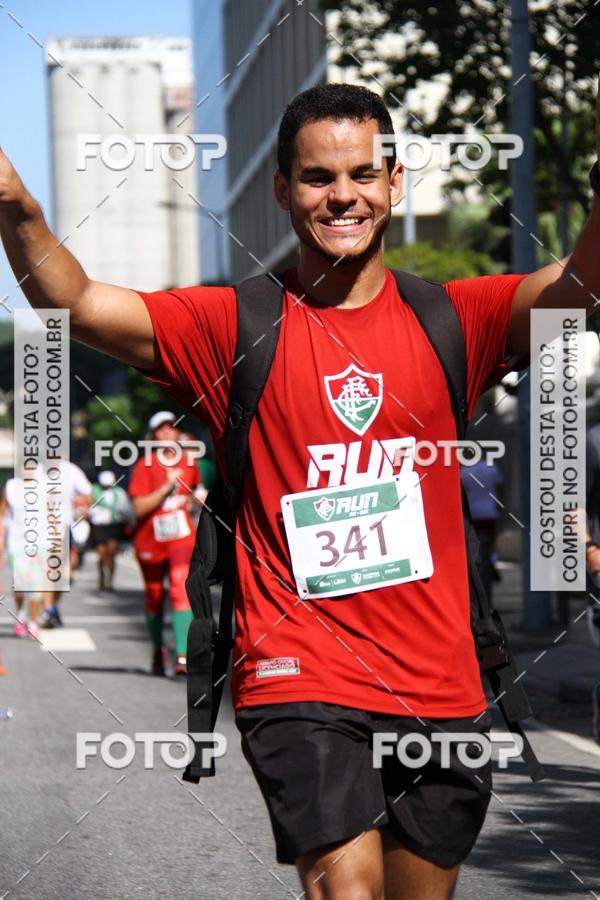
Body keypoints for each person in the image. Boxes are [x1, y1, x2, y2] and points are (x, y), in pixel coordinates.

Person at [1, 80, 599, 900]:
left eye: (361, 174)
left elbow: (578, 291)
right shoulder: (232, 325)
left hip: (442, 680)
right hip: (299, 670)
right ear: (284, 189)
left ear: (394, 182)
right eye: (318, 177)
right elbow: (71, 301)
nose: (342, 195)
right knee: (345, 890)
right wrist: (16, 204)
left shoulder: (457, 317)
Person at [128, 411, 203, 676]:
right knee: (154, 596)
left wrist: (197, 498)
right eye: (161, 429)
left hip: (181, 538)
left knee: (181, 587)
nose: (167, 433)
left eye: (171, 428)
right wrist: (165, 489)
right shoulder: (145, 465)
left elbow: (194, 493)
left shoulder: (189, 463)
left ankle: (183, 655)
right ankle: (158, 649)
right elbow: (138, 509)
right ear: (153, 436)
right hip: (150, 540)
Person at [40, 457, 92, 628]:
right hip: (42, 530)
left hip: (64, 528)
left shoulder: (71, 470)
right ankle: (47, 610)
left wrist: (84, 507)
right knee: (49, 571)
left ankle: (53, 606)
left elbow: (88, 492)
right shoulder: (37, 471)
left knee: (64, 576)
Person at [0, 470, 45, 639]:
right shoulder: (11, 486)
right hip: (16, 543)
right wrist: (1, 539)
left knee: (35, 584)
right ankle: (20, 615)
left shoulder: (44, 485)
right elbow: (3, 513)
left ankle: (33, 622)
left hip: (38, 542)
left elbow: (51, 514)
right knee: (19, 585)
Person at [460, 454, 504, 600]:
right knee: (490, 545)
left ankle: (482, 570)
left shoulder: (464, 472)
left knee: (474, 547)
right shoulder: (491, 468)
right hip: (489, 513)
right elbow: (500, 489)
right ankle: (490, 566)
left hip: (472, 515)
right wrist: (500, 508)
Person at [88, 470, 134, 592]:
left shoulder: (119, 493)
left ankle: (110, 581)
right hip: (99, 526)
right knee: (102, 554)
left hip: (114, 525)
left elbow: (126, 508)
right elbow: (88, 507)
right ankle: (101, 576)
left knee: (112, 554)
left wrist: (131, 521)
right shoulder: (93, 492)